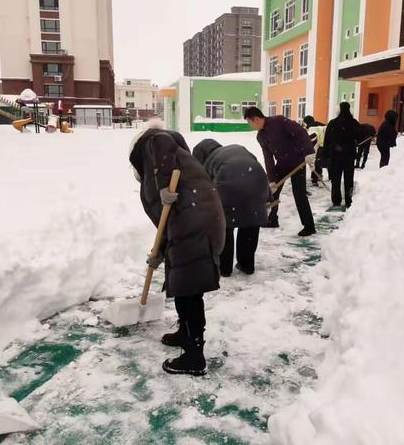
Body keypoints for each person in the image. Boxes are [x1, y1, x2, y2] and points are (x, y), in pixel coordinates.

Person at [129, 120, 225, 376]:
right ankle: (185, 333)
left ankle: (195, 357)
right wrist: (158, 254)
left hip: (194, 224)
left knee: (189, 290)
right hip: (193, 222)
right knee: (183, 284)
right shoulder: (178, 160)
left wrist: (161, 184)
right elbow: (166, 218)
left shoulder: (154, 142)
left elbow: (159, 140)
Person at [193, 139, 269, 277]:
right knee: (250, 224)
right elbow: (256, 167)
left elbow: (205, 186)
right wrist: (266, 195)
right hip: (257, 187)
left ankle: (224, 268)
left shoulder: (209, 161)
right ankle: (247, 265)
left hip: (229, 191)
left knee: (225, 227)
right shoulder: (238, 148)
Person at [244, 107, 316, 236]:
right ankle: (272, 219)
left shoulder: (279, 121)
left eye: (250, 122)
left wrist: (309, 152)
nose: (250, 126)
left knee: (299, 194)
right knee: (271, 190)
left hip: (298, 161)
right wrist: (271, 179)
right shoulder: (261, 136)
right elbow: (268, 157)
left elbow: (301, 132)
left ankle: (309, 226)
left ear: (256, 119)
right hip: (283, 164)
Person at [323, 102, 361, 208]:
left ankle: (336, 200)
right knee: (349, 178)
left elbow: (327, 140)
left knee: (336, 179)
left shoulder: (333, 123)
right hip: (349, 156)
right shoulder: (353, 123)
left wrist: (325, 154)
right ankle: (349, 200)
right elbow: (360, 136)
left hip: (336, 156)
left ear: (339, 109)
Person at [304, 115, 327, 185]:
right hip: (324, 145)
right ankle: (320, 175)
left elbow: (312, 138)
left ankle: (314, 179)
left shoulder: (311, 128)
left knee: (315, 161)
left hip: (318, 145)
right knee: (319, 162)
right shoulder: (321, 125)